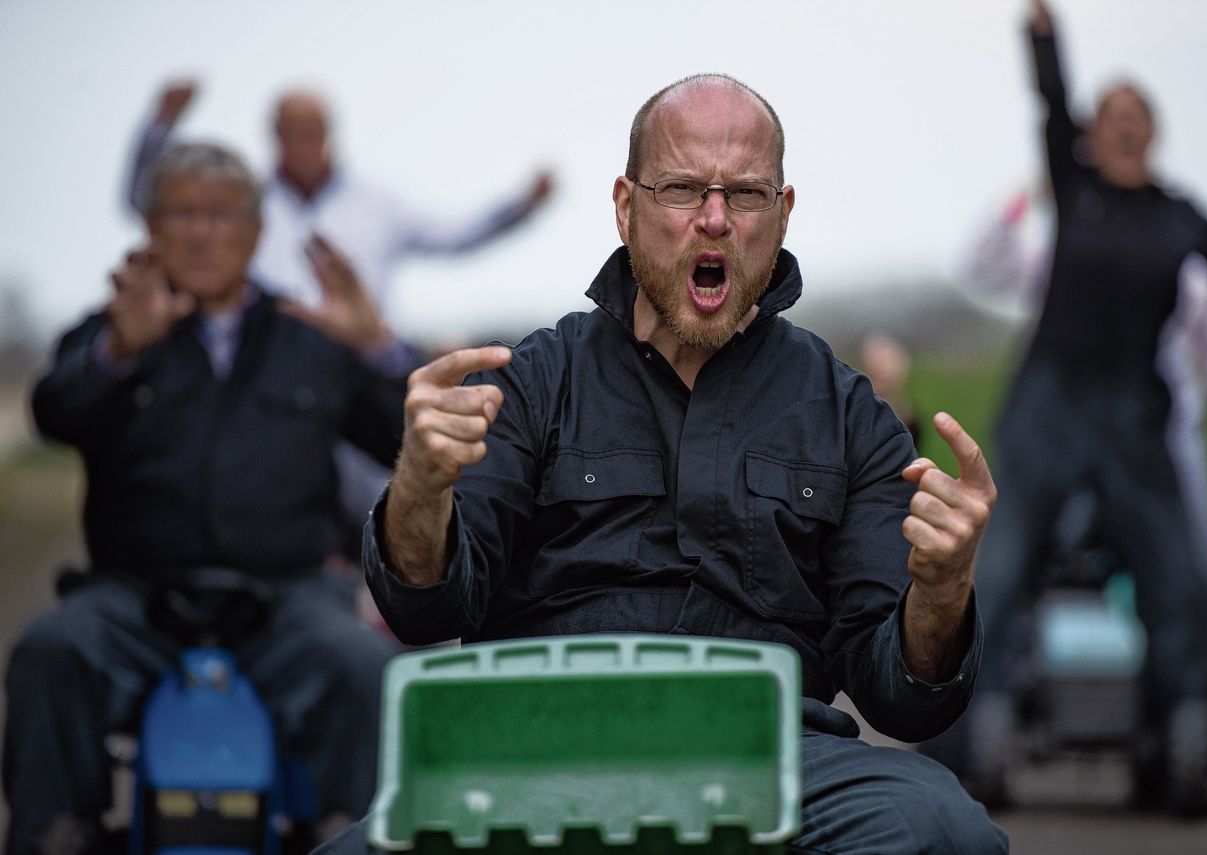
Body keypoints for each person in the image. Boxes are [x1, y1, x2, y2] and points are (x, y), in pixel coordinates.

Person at [321, 74, 1009, 854]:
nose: (713, 220)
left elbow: (903, 697)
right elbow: (424, 608)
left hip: (775, 758)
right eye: (682, 189)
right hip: (530, 750)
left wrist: (944, 588)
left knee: (944, 829)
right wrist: (417, 486)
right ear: (625, 205)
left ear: (782, 215)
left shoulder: (851, 416)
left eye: (745, 195)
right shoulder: (528, 381)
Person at [4, 142, 412, 855]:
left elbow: (402, 435)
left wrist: (378, 346)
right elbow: (53, 412)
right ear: (151, 229)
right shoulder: (116, 328)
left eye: (222, 214)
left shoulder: (308, 335)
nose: (201, 231)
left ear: (256, 231)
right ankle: (54, 833)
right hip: (133, 598)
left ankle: (345, 833)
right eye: (182, 213)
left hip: (291, 596)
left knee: (362, 665)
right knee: (49, 650)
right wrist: (117, 356)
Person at [963, 0, 1207, 817]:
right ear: (1090, 137)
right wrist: (1042, 34)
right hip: (1048, 410)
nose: (1124, 126)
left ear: (1155, 132)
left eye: (1138, 116)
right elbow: (1050, 102)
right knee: (1001, 571)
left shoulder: (1177, 215)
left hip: (1137, 420)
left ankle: (1185, 737)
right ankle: (975, 733)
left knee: (1181, 583)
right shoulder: (1075, 189)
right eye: (1109, 116)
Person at [127, 82, 555, 307]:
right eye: (290, 132)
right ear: (274, 134)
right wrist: (159, 129)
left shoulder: (377, 204)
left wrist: (520, 206)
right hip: (262, 374)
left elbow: (455, 237)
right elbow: (150, 206)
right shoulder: (243, 203)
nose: (302, 143)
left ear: (329, 133)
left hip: (355, 373)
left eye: (311, 132)